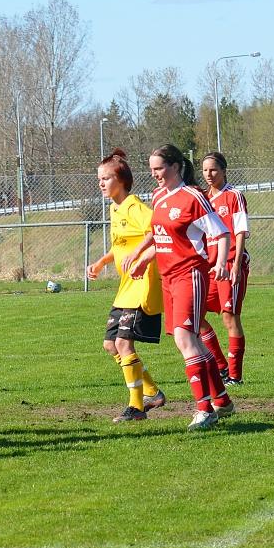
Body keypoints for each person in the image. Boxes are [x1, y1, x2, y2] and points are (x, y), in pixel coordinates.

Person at [127, 144, 235, 430]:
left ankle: (205, 410)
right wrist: (141, 258)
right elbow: (159, 236)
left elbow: (222, 232)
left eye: (159, 168)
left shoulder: (193, 197)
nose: (155, 175)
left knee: (185, 340)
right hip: (168, 278)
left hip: (191, 274)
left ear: (175, 166)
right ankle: (221, 400)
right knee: (193, 341)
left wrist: (222, 262)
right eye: (151, 170)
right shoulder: (159, 196)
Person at [87, 149, 166, 422]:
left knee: (123, 343)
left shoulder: (134, 206)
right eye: (99, 178)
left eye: (106, 178)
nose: (101, 183)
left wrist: (142, 260)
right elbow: (121, 245)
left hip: (142, 284)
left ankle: (137, 407)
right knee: (111, 345)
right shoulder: (114, 207)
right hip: (125, 288)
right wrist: (101, 262)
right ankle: (152, 392)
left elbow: (157, 230)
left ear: (120, 180)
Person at [197, 152, 250, 386]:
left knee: (230, 317)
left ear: (224, 171)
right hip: (210, 266)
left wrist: (237, 264)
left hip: (229, 264)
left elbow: (239, 231)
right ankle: (220, 366)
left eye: (214, 170)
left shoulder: (234, 196)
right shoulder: (202, 198)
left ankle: (235, 376)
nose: (209, 174)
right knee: (196, 315)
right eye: (205, 170)